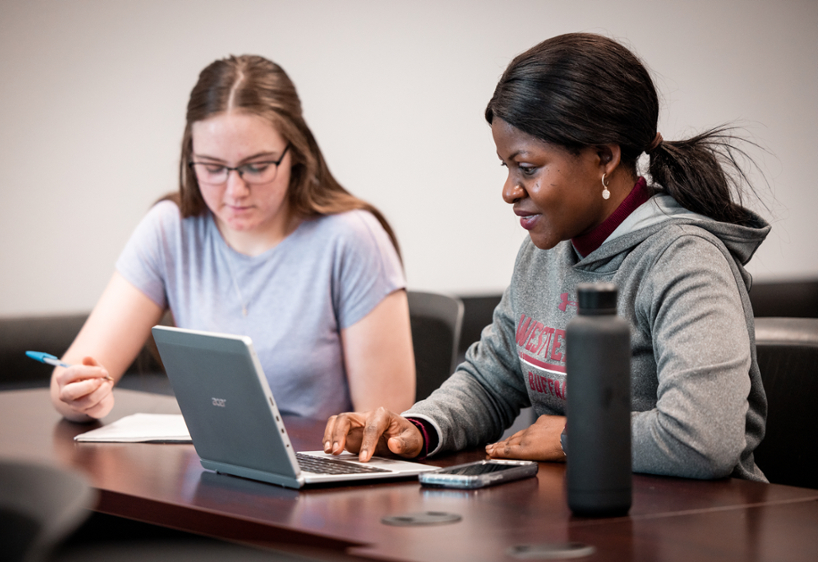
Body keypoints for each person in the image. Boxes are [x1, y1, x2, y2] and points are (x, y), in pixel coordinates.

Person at [323, 33, 770, 481]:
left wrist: (569, 437)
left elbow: (702, 439)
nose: (509, 191)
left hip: (693, 526)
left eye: (528, 169)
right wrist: (419, 428)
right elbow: (489, 380)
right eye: (507, 168)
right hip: (575, 516)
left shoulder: (686, 262)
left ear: (603, 157)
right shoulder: (545, 251)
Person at [51, 55, 415, 423]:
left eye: (257, 166)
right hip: (206, 469)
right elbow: (68, 377)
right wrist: (80, 395)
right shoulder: (170, 229)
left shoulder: (352, 238)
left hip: (318, 468)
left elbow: (382, 430)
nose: (235, 190)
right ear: (191, 160)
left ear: (296, 155)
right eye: (212, 168)